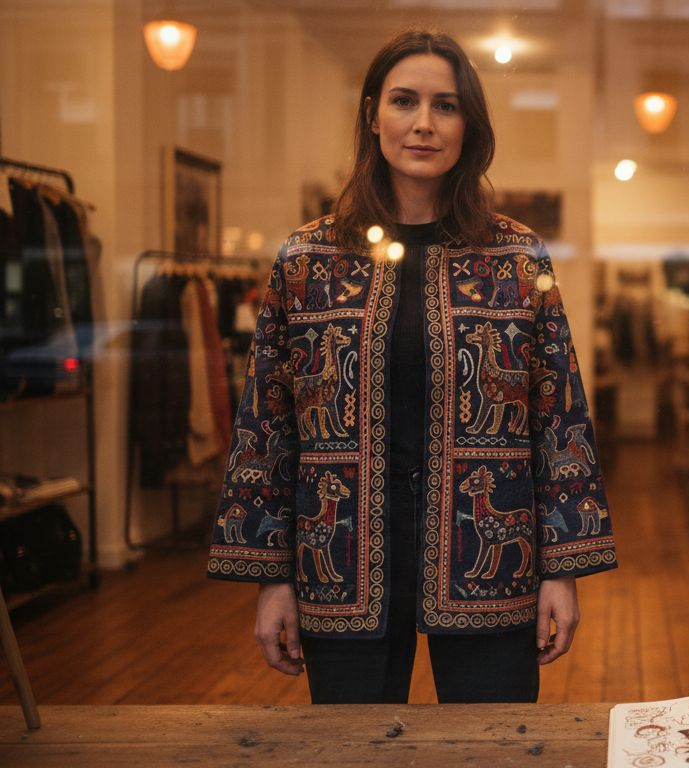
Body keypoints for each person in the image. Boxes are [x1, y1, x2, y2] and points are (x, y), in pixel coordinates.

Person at [207, 29, 616, 704]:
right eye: (404, 101)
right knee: (351, 749)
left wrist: (560, 570)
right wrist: (272, 578)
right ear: (373, 114)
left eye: (446, 106)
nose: (424, 124)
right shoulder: (308, 259)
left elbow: (558, 417)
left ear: (468, 126)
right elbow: (267, 427)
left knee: (494, 747)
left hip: (492, 560)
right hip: (338, 558)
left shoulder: (515, 258)